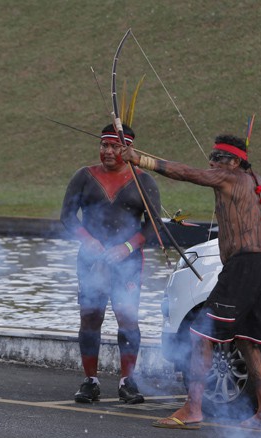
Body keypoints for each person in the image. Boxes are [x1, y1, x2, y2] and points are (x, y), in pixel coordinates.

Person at [123, 134, 261, 430]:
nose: (212, 163)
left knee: (201, 334)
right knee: (248, 340)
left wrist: (140, 160)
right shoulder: (257, 182)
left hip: (245, 265)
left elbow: (188, 173)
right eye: (212, 156)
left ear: (234, 162)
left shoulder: (230, 178)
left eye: (218, 158)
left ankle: (193, 408)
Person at [60, 123, 160, 404]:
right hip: (91, 261)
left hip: (127, 262)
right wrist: (88, 240)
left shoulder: (143, 181)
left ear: (128, 149)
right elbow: (67, 217)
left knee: (127, 317)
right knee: (91, 317)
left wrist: (126, 247)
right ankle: (90, 380)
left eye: (115, 146)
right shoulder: (84, 176)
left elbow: (154, 227)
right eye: (104, 145)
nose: (108, 151)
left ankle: (127, 380)